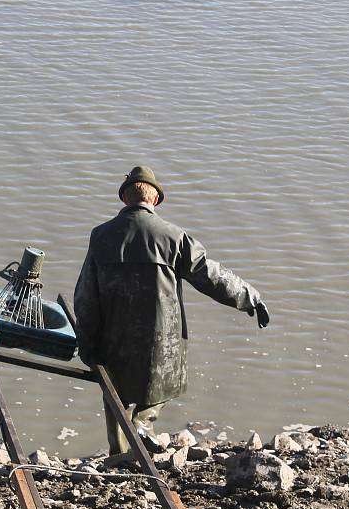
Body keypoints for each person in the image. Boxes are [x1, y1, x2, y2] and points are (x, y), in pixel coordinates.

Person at [73, 166, 269, 455]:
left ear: (125, 198)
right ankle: (143, 421)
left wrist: (87, 343)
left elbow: (85, 296)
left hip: (111, 336)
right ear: (155, 200)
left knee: (113, 393)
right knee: (163, 379)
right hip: (160, 338)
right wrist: (249, 297)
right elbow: (211, 276)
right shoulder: (173, 237)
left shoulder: (101, 236)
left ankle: (119, 453)